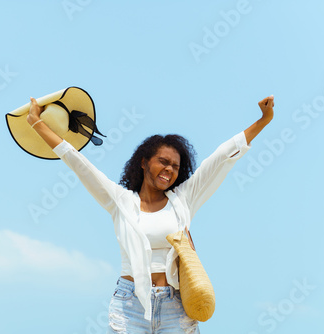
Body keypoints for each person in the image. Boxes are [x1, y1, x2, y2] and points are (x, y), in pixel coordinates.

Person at [26, 94, 274, 333]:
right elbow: (79, 164)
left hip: (176, 306)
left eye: (175, 166)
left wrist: (262, 121)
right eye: (163, 161)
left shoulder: (184, 199)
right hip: (129, 304)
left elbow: (221, 157)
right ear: (144, 162)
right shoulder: (120, 201)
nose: (169, 169)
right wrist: (37, 123)